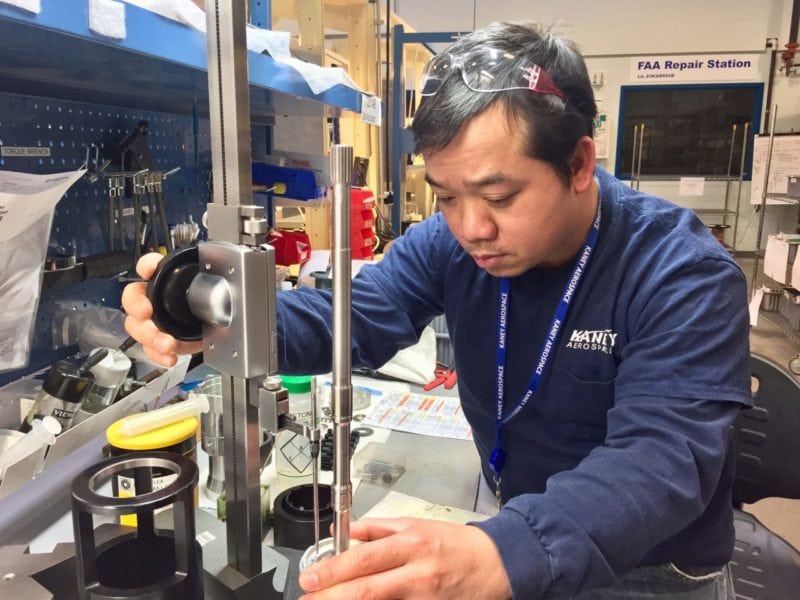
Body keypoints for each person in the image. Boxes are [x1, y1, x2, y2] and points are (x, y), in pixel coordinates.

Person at [122, 21, 751, 600]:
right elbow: (355, 317)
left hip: (649, 567)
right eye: (447, 196)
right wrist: (220, 320)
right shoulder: (448, 244)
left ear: (579, 163)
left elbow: (661, 459)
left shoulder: (680, 272)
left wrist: (503, 552)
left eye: (498, 196)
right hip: (519, 524)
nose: (472, 227)